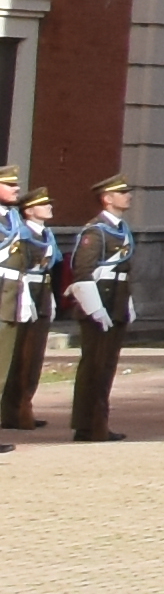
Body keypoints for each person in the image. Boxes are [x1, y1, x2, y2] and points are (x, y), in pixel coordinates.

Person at [51, 181, 129, 441]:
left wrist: (126, 302)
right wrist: (95, 308)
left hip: (115, 304)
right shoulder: (95, 232)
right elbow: (82, 273)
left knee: (106, 367)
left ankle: (97, 422)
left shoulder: (119, 230)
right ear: (107, 198)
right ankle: (88, 424)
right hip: (98, 305)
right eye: (122, 193)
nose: (128, 197)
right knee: (94, 367)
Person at [0, 172, 49, 432]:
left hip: (12, 295)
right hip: (3, 294)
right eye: (9, 184)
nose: (16, 188)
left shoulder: (12, 220)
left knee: (5, 368)